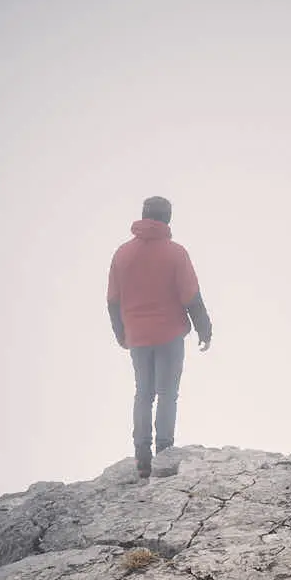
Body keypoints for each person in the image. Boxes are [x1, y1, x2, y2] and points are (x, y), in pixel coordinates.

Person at [107, 196, 212, 478]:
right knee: (167, 394)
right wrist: (204, 329)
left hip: (138, 337)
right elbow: (191, 296)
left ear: (143, 215)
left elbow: (113, 301)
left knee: (143, 393)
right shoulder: (176, 253)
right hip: (169, 335)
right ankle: (164, 454)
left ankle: (142, 455)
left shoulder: (122, 254)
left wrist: (121, 333)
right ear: (167, 219)